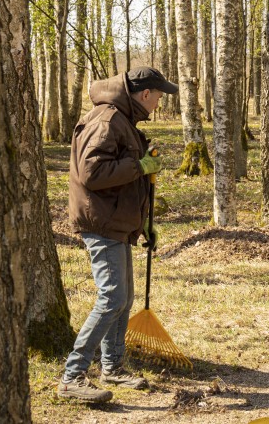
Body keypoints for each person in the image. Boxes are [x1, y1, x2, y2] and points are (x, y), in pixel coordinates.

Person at [57, 66, 178, 403]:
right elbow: (92, 173)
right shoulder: (107, 120)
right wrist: (139, 166)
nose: (158, 104)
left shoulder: (124, 119)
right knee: (111, 297)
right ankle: (72, 376)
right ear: (144, 94)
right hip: (102, 222)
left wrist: (144, 224)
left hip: (118, 223)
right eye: (158, 97)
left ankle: (113, 366)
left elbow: (124, 174)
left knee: (123, 298)